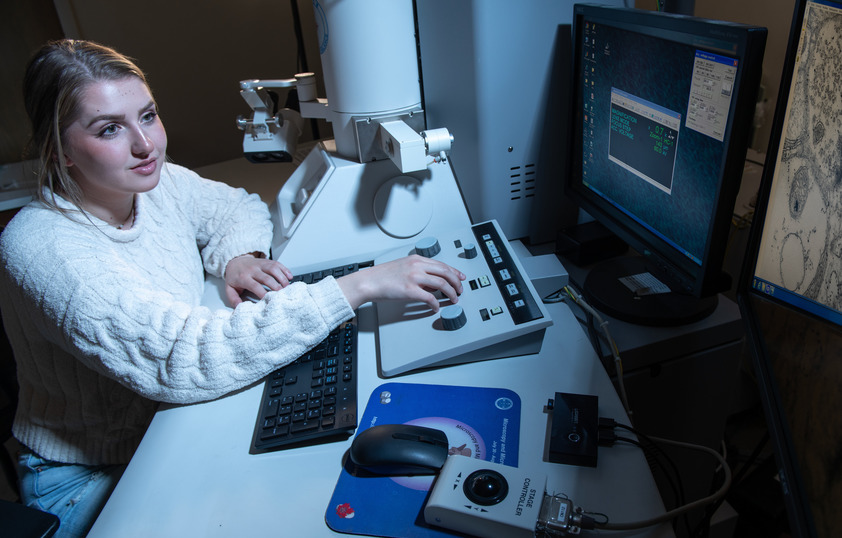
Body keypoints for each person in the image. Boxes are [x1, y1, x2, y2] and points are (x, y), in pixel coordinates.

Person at [0, 39, 465, 537]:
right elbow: (184, 357)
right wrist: (358, 286)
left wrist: (240, 257)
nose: (146, 144)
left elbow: (235, 207)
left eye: (148, 116)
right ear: (60, 150)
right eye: (110, 128)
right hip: (92, 475)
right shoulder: (45, 248)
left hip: (166, 428)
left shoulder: (152, 183)